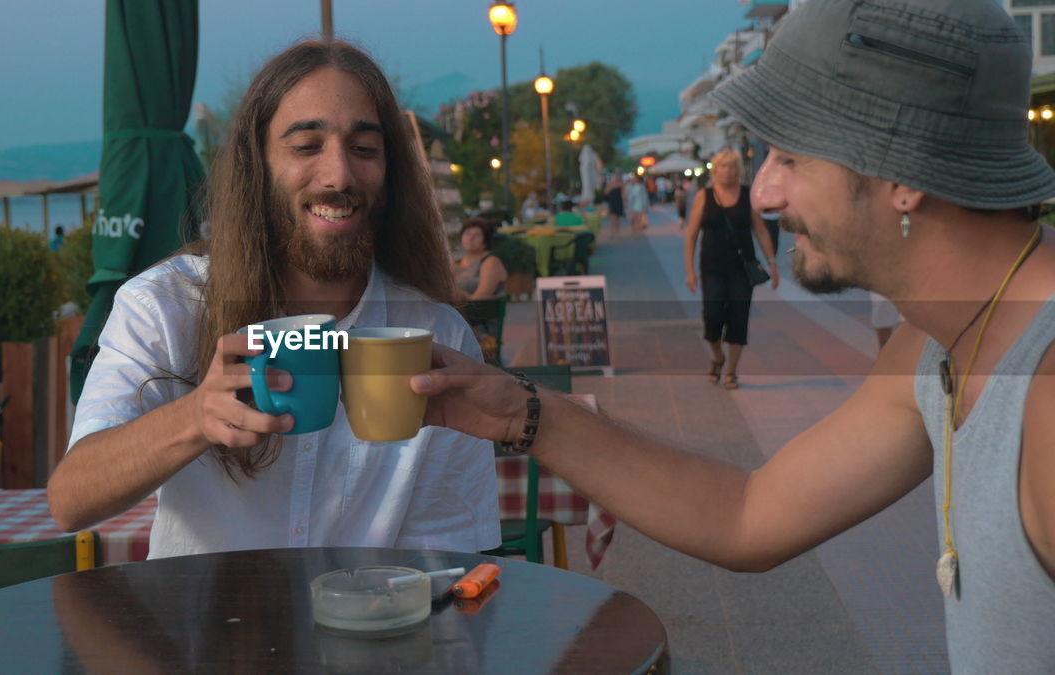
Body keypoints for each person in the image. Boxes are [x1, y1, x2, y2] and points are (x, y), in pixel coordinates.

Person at [408, 1, 1055, 671]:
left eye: (791, 156)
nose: (765, 193)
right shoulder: (937, 341)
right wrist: (521, 411)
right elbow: (751, 513)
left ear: (903, 175)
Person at [48, 40, 501, 558]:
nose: (339, 176)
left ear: (390, 170)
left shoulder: (434, 334)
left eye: (365, 149)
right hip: (205, 634)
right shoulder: (165, 305)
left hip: (367, 629)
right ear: (256, 167)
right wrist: (196, 417)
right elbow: (72, 498)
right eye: (307, 145)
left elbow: (451, 552)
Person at [684, 148, 780, 389]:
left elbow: (759, 230)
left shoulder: (748, 196)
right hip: (712, 268)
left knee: (739, 318)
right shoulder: (703, 196)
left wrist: (772, 263)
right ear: (716, 170)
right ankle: (717, 357)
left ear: (738, 171)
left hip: (741, 268)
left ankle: (731, 371)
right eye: (723, 167)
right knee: (713, 317)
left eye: (732, 167)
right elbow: (692, 234)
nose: (728, 171)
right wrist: (690, 271)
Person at [453, 218, 507, 301]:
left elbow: (482, 296)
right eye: (467, 234)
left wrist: (461, 297)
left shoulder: (491, 261)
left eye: (477, 235)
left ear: (485, 242)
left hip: (480, 311)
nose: (470, 238)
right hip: (454, 310)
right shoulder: (455, 264)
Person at [605, 170, 625, 236]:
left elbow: (623, 194)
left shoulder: (621, 183)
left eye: (618, 176)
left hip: (619, 201)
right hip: (612, 201)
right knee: (613, 218)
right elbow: (606, 193)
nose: (617, 177)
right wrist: (611, 187)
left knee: (618, 218)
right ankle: (612, 233)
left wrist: (624, 203)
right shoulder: (610, 183)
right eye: (615, 175)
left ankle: (617, 233)